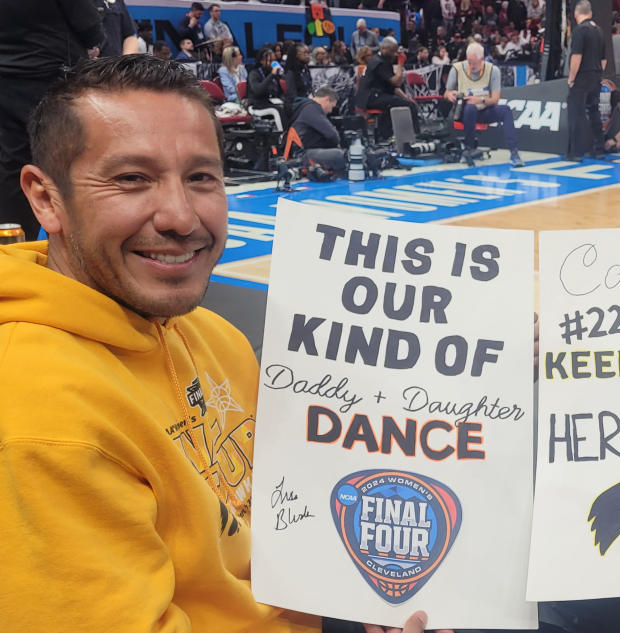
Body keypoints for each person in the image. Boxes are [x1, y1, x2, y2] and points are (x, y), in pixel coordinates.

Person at [0, 52, 447, 633]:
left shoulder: (206, 331)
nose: (182, 217)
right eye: (132, 178)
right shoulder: (41, 424)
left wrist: (488, 358)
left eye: (201, 177)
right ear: (44, 199)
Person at [0, 0, 104, 242]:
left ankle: (11, 251)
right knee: (71, 161)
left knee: (11, 168)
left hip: (6, 81)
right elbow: (90, 27)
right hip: (52, 77)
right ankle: (82, 249)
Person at [443, 41, 524, 166]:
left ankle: (514, 153)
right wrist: (449, 95)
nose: (471, 66)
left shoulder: (493, 71)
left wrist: (480, 100)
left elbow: (495, 100)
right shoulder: (457, 68)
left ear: (482, 59)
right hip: (463, 111)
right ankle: (469, 148)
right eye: (469, 62)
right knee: (470, 108)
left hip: (484, 108)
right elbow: (446, 93)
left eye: (474, 63)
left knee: (506, 110)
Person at [356, 36, 420, 138]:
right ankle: (416, 135)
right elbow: (397, 82)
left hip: (374, 95)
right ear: (384, 48)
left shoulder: (380, 60)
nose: (395, 54)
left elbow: (391, 87)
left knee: (402, 103)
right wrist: (400, 63)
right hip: (370, 97)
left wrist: (406, 97)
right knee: (409, 106)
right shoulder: (379, 62)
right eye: (392, 51)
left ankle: (385, 136)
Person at [566, 0, 606, 161]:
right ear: (590, 13)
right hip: (596, 75)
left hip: (582, 76)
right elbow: (604, 59)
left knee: (576, 112)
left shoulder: (579, 31)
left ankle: (575, 153)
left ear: (576, 14)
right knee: (594, 111)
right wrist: (598, 75)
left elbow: (577, 56)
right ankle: (599, 149)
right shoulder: (600, 31)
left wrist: (571, 78)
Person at [290, 85, 346, 174]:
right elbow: (333, 135)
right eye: (332, 106)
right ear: (327, 99)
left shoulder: (306, 106)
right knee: (340, 155)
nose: (330, 111)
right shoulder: (312, 109)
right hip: (302, 155)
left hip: (302, 151)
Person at [248, 46, 284, 131]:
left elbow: (280, 91)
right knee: (277, 110)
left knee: (288, 106)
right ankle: (283, 136)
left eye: (274, 60)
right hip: (257, 104)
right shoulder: (254, 73)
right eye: (270, 61)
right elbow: (258, 91)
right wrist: (271, 75)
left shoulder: (275, 74)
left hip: (271, 101)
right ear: (262, 61)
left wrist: (283, 100)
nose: (272, 63)